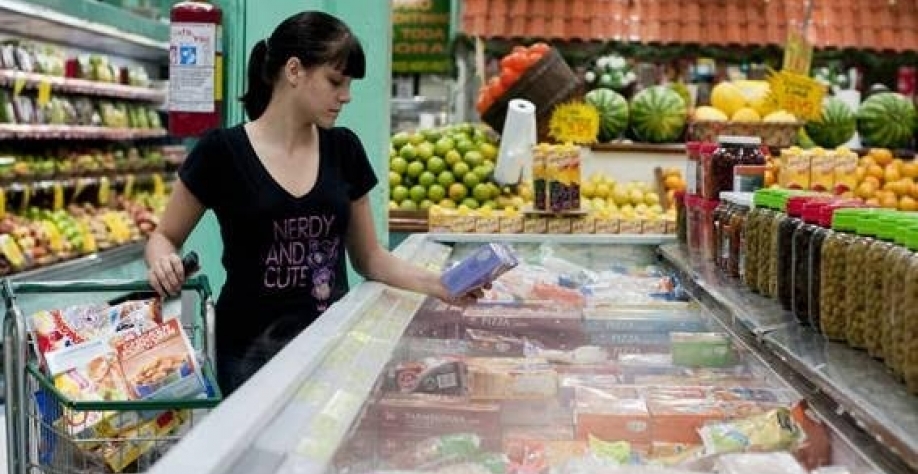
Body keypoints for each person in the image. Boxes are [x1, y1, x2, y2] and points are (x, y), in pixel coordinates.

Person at [146, 11, 482, 396]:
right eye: (335, 81)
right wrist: (162, 261)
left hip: (330, 347)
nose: (347, 95)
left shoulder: (345, 150)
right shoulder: (221, 152)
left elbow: (370, 257)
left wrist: (441, 284)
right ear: (294, 71)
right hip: (247, 357)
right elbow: (164, 235)